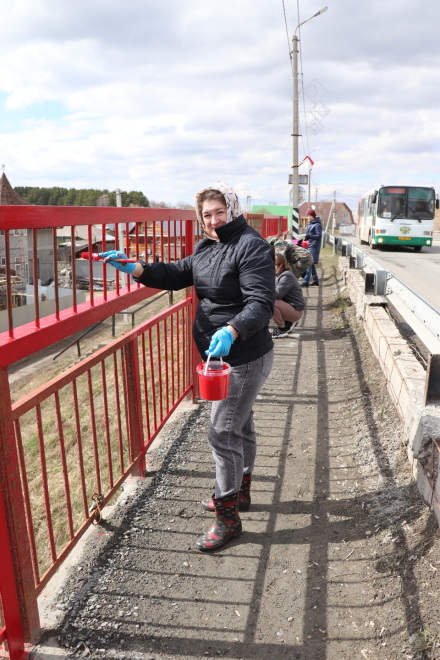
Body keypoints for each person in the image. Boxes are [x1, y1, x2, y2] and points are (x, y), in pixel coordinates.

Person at [100, 182, 275, 552]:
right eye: (206, 215)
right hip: (221, 357)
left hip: (244, 355)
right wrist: (136, 267)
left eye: (219, 212)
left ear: (233, 210)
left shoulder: (252, 245)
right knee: (240, 425)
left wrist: (232, 329)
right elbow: (177, 273)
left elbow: (261, 302)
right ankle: (240, 493)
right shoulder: (207, 246)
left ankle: (228, 518)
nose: (213, 220)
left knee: (222, 433)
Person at [271, 253, 305, 338]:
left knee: (271, 302)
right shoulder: (281, 275)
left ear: (280, 265)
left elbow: (278, 294)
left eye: (273, 265)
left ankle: (281, 330)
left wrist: (264, 288)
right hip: (292, 308)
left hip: (296, 311)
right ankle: (288, 323)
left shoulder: (286, 276)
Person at [302, 209, 322, 287]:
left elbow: (319, 235)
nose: (309, 217)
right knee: (311, 263)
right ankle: (315, 280)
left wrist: (310, 236)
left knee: (309, 263)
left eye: (310, 216)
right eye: (308, 216)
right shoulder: (310, 224)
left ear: (314, 216)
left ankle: (305, 281)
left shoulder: (317, 225)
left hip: (314, 246)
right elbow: (308, 236)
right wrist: (304, 243)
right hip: (309, 246)